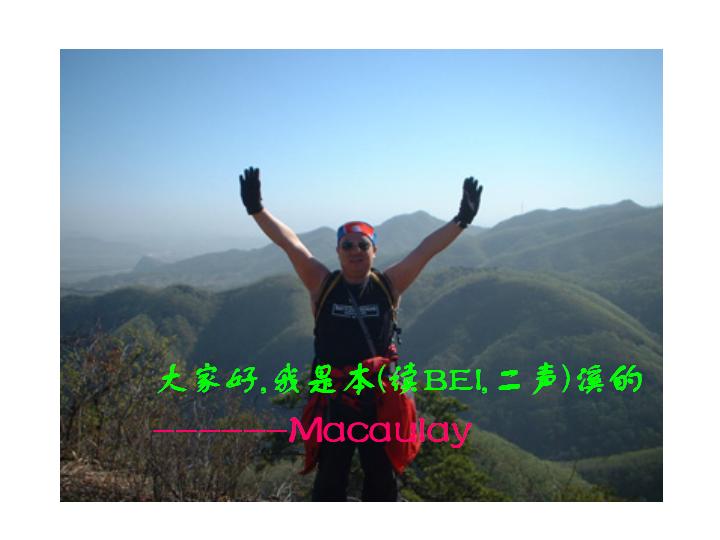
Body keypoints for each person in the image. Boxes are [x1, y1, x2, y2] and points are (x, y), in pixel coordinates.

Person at [239, 166, 482, 501]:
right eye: (348, 245)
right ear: (338, 251)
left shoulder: (388, 284)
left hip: (378, 399)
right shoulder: (322, 283)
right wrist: (257, 209)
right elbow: (290, 243)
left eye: (363, 245)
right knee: (330, 479)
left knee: (381, 479)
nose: (355, 250)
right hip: (334, 399)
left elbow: (425, 250)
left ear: (374, 251)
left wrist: (461, 220)